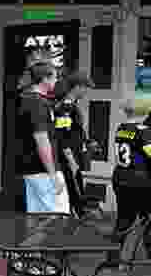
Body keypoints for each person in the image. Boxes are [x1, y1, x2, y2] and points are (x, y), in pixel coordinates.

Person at [16, 55, 70, 215]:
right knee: (58, 217)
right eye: (54, 77)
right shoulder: (38, 104)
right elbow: (42, 141)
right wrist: (53, 175)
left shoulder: (26, 100)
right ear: (45, 79)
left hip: (30, 169)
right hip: (44, 172)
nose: (56, 81)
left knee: (37, 220)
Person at [109, 99, 151, 264]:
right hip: (140, 181)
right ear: (144, 113)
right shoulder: (144, 131)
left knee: (123, 220)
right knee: (147, 219)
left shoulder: (122, 128)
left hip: (121, 178)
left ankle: (112, 259)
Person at [52, 70, 95, 217]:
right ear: (78, 87)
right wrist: (70, 159)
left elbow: (75, 130)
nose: (86, 92)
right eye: (86, 88)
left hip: (74, 153)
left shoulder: (72, 104)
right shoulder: (65, 107)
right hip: (68, 156)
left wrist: (87, 142)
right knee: (74, 191)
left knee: (77, 188)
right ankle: (76, 220)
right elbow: (62, 135)